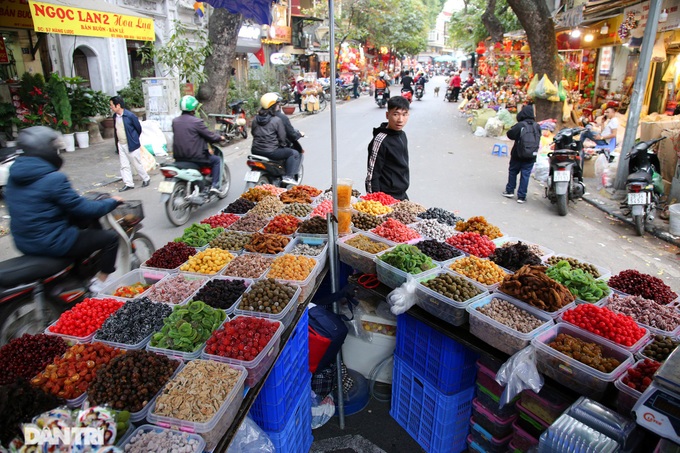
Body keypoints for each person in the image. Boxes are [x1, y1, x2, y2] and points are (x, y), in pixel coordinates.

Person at [5, 126, 124, 292]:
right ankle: (101, 283)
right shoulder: (54, 179)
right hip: (52, 244)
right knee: (110, 238)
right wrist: (111, 202)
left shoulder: (12, 178)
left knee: (79, 232)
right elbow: (84, 209)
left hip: (24, 242)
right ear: (46, 150)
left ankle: (76, 276)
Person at [171, 95, 225, 194]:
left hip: (179, 157)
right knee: (216, 160)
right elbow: (210, 136)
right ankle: (215, 185)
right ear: (194, 109)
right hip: (196, 157)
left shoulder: (175, 121)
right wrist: (220, 137)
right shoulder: (196, 122)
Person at [365, 96, 410, 200]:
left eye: (404, 114)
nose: (400, 119)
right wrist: (375, 202)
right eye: (395, 114)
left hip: (402, 194)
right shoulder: (380, 140)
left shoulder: (402, 135)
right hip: (386, 197)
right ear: (387, 115)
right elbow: (371, 176)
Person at [251, 93, 301, 185]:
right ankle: (289, 177)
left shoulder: (255, 119)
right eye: (277, 104)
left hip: (255, 150)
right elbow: (282, 138)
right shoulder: (276, 120)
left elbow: (253, 133)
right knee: (294, 153)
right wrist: (283, 145)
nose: (279, 106)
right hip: (271, 152)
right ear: (273, 106)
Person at [110, 96, 151, 192]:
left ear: (118, 105)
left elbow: (138, 128)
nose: (111, 107)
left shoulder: (130, 116)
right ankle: (128, 183)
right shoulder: (115, 117)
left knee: (136, 163)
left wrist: (133, 139)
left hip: (131, 143)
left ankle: (146, 178)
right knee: (124, 165)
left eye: (112, 105)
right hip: (121, 144)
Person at [502, 105, 541, 204]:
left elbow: (510, 135)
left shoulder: (520, 125)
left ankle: (510, 190)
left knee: (513, 171)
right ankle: (521, 196)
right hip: (531, 156)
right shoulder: (537, 126)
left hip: (518, 154)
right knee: (525, 175)